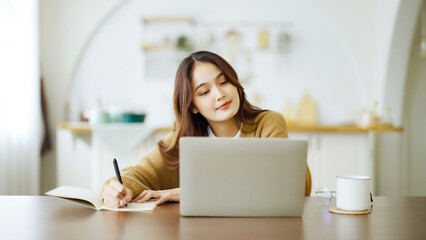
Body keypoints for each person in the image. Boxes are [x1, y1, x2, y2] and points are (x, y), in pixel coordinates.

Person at [102, 51, 312, 208]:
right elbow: (138, 174)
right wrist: (117, 188)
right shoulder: (182, 140)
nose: (219, 94)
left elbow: (276, 182)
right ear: (192, 105)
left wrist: (192, 192)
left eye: (224, 82)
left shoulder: (268, 124)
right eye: (204, 92)